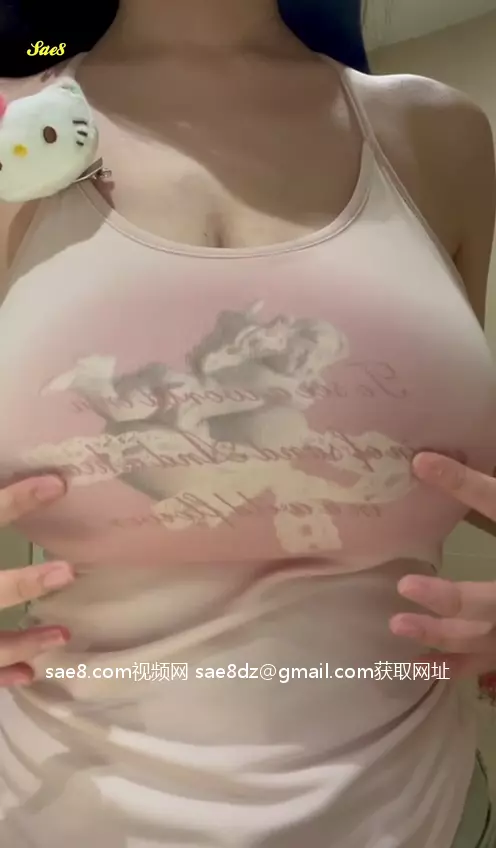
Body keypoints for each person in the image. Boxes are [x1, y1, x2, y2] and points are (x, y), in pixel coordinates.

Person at [0, 1, 495, 845]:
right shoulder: (13, 126)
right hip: (58, 805)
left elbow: (460, 459)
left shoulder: (438, 134)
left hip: (415, 805)